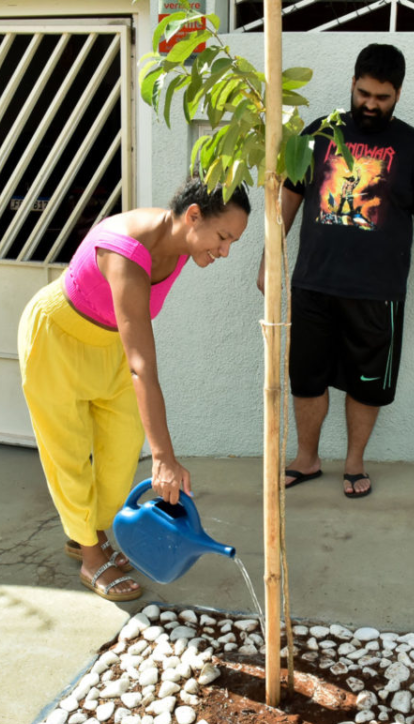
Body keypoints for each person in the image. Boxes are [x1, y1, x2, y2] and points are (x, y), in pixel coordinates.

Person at [19, 178, 250, 601]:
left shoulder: (181, 244)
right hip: (58, 339)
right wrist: (163, 457)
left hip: (110, 348)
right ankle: (90, 556)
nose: (224, 252)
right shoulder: (124, 250)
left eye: (232, 242)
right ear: (193, 215)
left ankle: (89, 532)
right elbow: (142, 365)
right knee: (68, 453)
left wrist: (157, 450)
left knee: (121, 450)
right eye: (222, 237)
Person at [258, 43, 414, 499]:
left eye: (382, 98)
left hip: (377, 292)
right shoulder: (319, 134)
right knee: (306, 378)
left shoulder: (413, 146)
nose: (370, 104)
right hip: (313, 285)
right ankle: (307, 458)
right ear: (352, 83)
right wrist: (269, 256)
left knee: (368, 385)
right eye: (364, 93)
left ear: (398, 94)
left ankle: (354, 462)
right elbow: (289, 197)